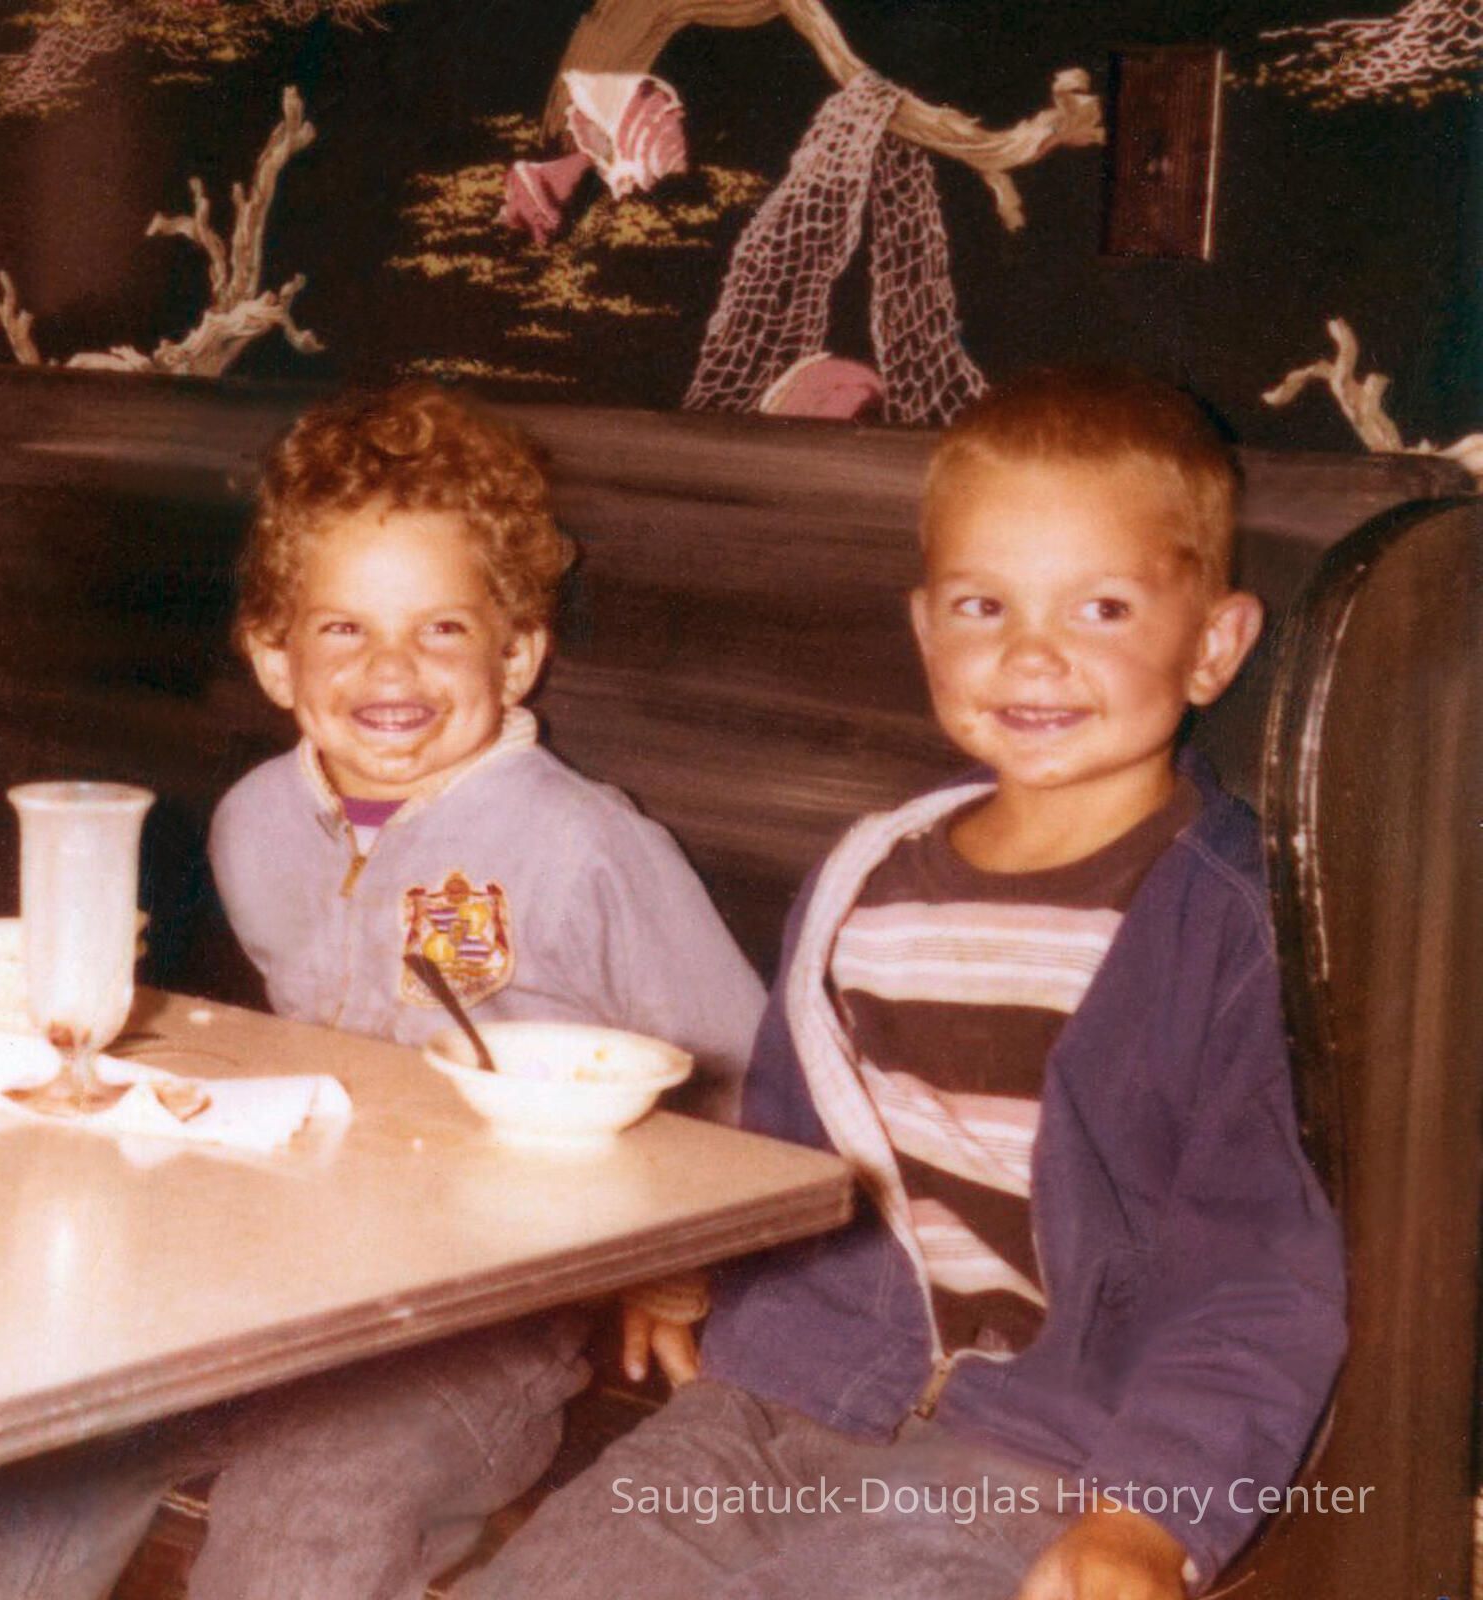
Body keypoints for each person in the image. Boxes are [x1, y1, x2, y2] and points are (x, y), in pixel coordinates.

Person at [0, 382, 767, 1600]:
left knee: (304, 1515)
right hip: (266, 1280)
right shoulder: (255, 826)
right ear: (275, 659)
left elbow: (753, 1068)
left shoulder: (584, 848)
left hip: (477, 1330)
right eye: (343, 630)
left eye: (443, 628)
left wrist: (681, 1262)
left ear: (520, 650)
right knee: (19, 1459)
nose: (392, 667)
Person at [456, 366, 1348, 1600]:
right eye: (984, 605)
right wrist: (702, 1259)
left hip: (1053, 1448)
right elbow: (788, 1143)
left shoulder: (1236, 928)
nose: (1031, 653)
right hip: (787, 1395)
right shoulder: (866, 877)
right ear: (927, 628)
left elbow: (1261, 1274)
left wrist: (1155, 1516)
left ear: (1213, 644)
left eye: (1100, 608)